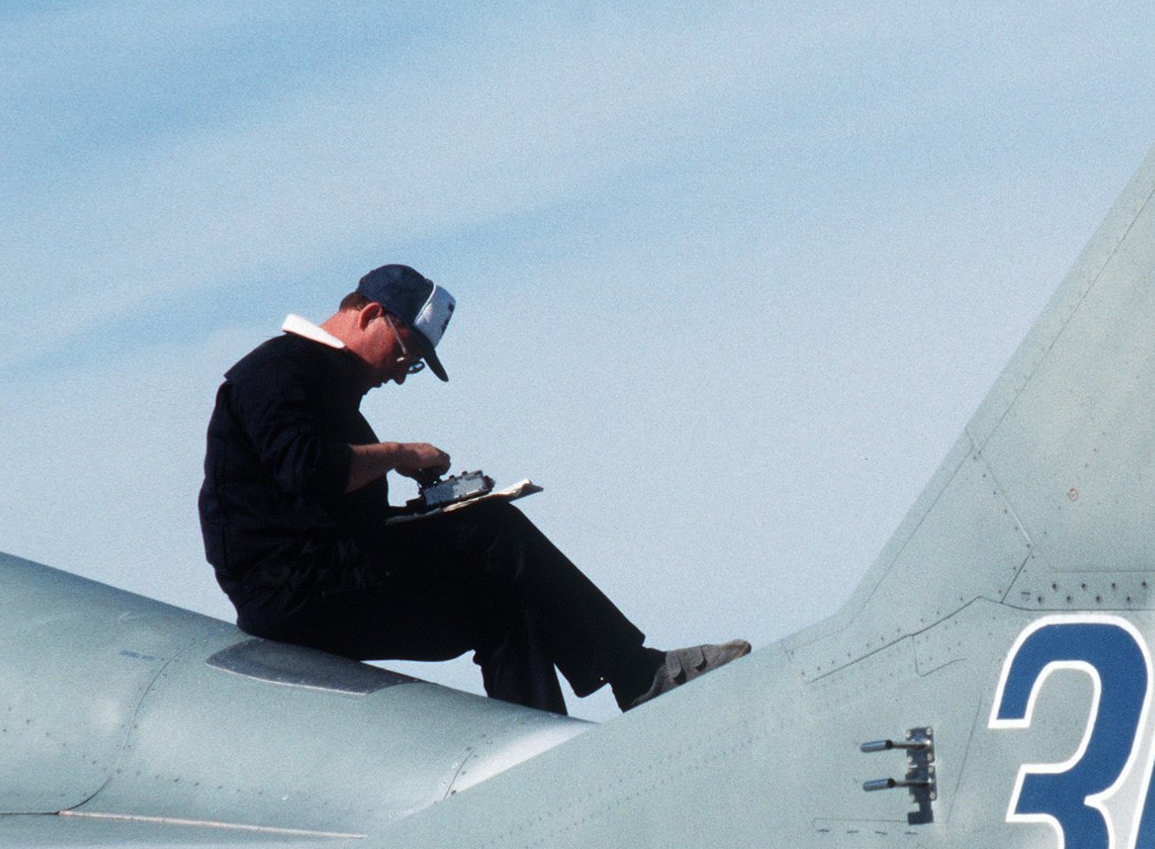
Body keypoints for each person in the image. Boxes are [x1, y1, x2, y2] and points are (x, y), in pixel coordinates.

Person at [198, 263, 748, 715]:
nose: (397, 373)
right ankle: (636, 673)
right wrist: (402, 454)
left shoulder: (321, 386)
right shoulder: (278, 370)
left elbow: (323, 505)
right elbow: (309, 471)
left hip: (322, 581)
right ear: (369, 315)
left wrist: (422, 515)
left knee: (503, 598)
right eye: (404, 355)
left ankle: (541, 746)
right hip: (292, 592)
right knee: (494, 531)